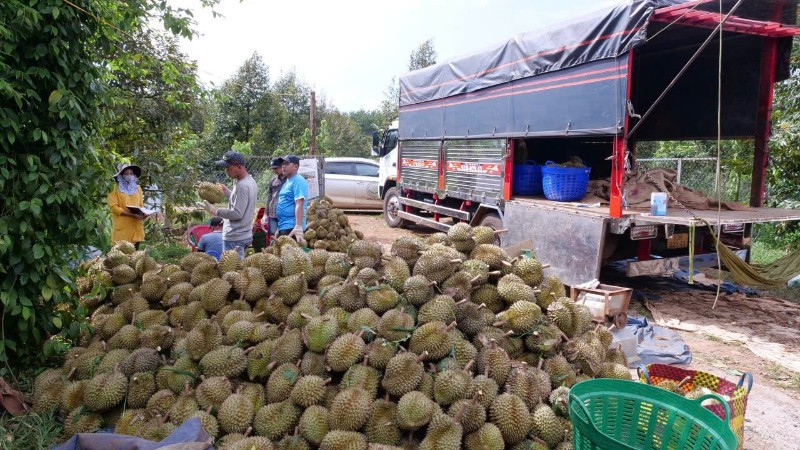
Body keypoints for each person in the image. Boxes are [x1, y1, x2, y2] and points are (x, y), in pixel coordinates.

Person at [197, 151, 258, 259]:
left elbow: (237, 213)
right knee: (236, 269)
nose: (226, 171)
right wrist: (228, 192)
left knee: (232, 271)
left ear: (239, 166)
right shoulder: (249, 181)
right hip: (243, 234)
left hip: (235, 236)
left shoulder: (242, 185)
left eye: (228, 168)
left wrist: (214, 210)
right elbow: (242, 200)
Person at [107, 163, 147, 249]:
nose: (129, 176)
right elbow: (114, 208)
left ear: (134, 175)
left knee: (134, 259)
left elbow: (140, 205)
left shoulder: (138, 188)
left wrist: (144, 214)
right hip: (122, 229)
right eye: (126, 174)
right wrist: (132, 214)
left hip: (136, 227)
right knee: (120, 257)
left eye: (131, 174)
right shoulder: (114, 188)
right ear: (121, 175)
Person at [276, 155, 308, 244]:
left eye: (287, 164)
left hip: (292, 228)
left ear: (295, 167)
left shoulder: (298, 180)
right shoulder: (287, 181)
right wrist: (278, 228)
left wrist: (298, 226)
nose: (283, 166)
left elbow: (299, 204)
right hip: (284, 226)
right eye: (282, 164)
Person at [261, 157, 286, 237]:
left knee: (284, 236)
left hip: (285, 213)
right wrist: (265, 214)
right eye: (273, 169)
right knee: (273, 235)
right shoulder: (273, 181)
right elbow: (269, 198)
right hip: (273, 213)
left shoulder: (290, 180)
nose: (274, 171)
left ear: (282, 166)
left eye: (276, 168)